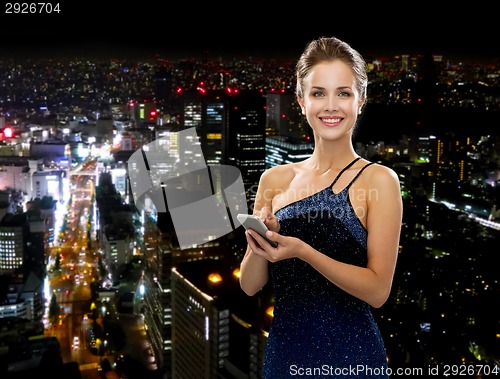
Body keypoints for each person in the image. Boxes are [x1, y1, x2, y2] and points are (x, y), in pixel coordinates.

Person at [239, 36, 403, 378]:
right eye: (318, 93)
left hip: (352, 358)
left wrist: (303, 251)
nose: (331, 106)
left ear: (361, 101)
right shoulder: (273, 179)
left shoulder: (379, 180)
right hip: (285, 355)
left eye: (343, 93)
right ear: (301, 101)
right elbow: (250, 285)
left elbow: (377, 291)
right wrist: (261, 243)